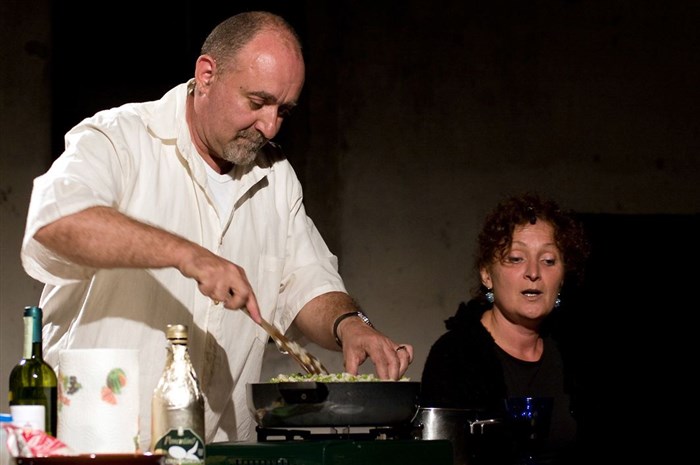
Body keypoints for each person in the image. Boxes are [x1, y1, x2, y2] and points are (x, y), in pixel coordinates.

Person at [20, 11, 413, 449]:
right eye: (257, 102)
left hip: (218, 450)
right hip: (102, 444)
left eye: (283, 111)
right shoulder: (120, 138)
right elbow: (55, 221)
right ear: (207, 75)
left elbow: (306, 282)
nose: (270, 126)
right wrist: (189, 254)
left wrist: (349, 325)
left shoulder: (276, 177)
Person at [420, 192, 590, 465]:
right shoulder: (455, 355)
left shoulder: (578, 353)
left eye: (548, 260)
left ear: (562, 277)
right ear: (487, 274)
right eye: (516, 258)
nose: (533, 272)